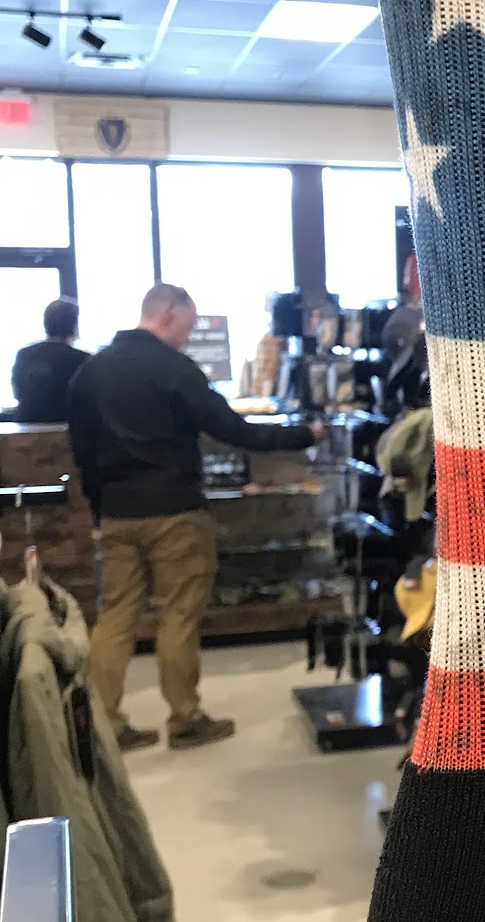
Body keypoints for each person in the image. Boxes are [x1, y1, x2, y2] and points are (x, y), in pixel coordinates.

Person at [68, 283, 321, 752]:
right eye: (187, 325)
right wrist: (305, 435)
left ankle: (107, 726)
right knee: (178, 616)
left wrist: (99, 513)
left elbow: (82, 453)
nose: (188, 336)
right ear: (168, 314)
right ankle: (185, 719)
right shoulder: (174, 369)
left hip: (119, 514)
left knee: (115, 617)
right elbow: (233, 430)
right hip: (176, 512)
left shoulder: (90, 372)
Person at [11, 296, 91, 422]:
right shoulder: (82, 359)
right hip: (67, 426)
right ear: (74, 326)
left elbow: (17, 393)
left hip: (26, 424)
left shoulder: (24, 354)